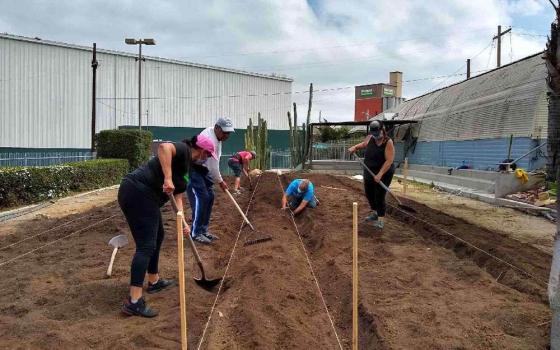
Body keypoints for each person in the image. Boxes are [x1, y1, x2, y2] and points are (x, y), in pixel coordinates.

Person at [118, 135, 217, 317]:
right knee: (146, 246)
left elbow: (178, 197)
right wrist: (168, 178)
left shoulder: (186, 167)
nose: (207, 159)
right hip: (138, 191)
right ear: (202, 151)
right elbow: (163, 147)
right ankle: (134, 301)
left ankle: (154, 281)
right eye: (208, 155)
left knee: (158, 236)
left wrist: (183, 223)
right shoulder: (184, 150)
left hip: (146, 197)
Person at [187, 117, 234, 244]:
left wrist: (219, 180)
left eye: (228, 133)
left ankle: (203, 230)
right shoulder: (210, 139)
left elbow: (214, 163)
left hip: (204, 171)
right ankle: (196, 233)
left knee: (210, 196)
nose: (227, 135)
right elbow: (214, 165)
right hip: (195, 169)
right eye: (225, 132)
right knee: (202, 198)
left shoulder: (217, 137)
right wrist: (220, 181)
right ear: (217, 128)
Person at [348, 120, 395, 230]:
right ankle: (374, 213)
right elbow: (364, 144)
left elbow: (389, 161)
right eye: (373, 133)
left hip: (384, 172)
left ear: (381, 130)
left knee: (379, 195)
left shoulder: (388, 142)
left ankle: (381, 220)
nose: (375, 136)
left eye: (377, 133)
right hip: (369, 170)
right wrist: (355, 147)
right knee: (369, 193)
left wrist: (380, 174)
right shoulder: (370, 138)